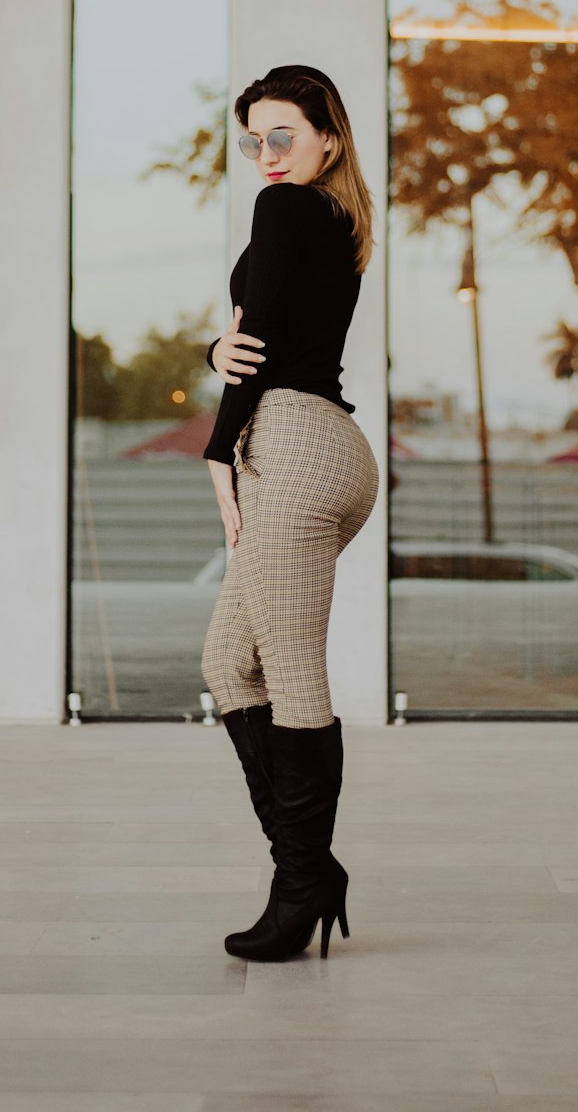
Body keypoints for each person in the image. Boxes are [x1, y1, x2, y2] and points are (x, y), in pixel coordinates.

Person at [200, 64, 379, 962]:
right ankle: (310, 869)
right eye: (253, 141)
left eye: (284, 136)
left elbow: (261, 354)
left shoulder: (285, 210)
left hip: (295, 447)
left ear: (327, 139)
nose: (266, 156)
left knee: (292, 674)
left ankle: (302, 885)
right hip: (329, 447)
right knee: (229, 660)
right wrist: (214, 347)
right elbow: (256, 334)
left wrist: (217, 453)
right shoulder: (334, 220)